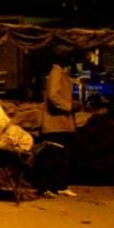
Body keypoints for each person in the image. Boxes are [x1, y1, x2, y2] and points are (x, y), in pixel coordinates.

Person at [37, 49, 79, 198]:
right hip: (55, 123)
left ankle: (60, 186)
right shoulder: (56, 73)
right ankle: (46, 188)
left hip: (61, 123)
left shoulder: (60, 73)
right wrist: (69, 106)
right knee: (51, 156)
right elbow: (53, 96)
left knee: (60, 156)